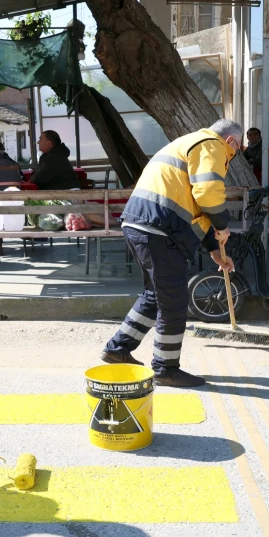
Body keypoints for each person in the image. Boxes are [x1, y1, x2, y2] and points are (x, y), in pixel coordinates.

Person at [101, 119, 242, 388]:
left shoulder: (186, 142)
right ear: (232, 142)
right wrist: (223, 226)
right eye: (236, 152)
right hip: (160, 229)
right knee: (174, 300)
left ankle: (118, 349)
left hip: (142, 224)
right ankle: (165, 368)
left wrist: (214, 248)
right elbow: (208, 192)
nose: (232, 157)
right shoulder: (212, 145)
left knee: (156, 295)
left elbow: (191, 204)